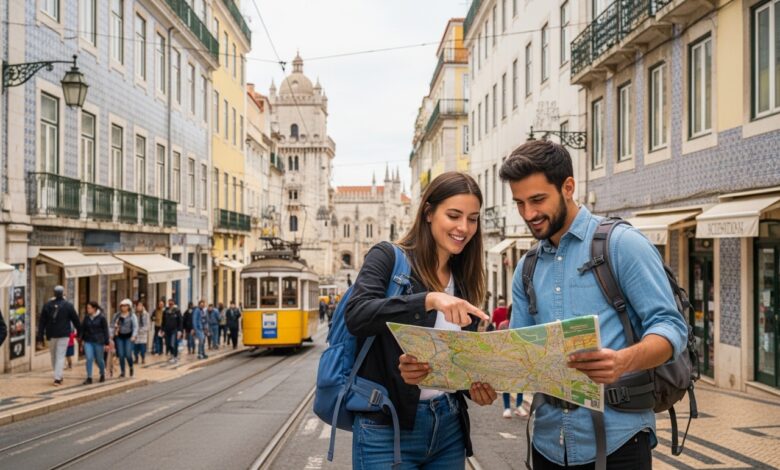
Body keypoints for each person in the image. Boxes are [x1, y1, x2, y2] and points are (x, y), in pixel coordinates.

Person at [499, 140, 688, 469]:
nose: (528, 214)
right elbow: (519, 354)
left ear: (568, 187)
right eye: (519, 203)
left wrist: (623, 361)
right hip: (546, 444)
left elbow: (670, 327)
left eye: (538, 200)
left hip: (621, 443)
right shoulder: (525, 268)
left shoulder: (622, 244)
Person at [346, 171, 497, 469]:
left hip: (448, 426)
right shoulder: (388, 257)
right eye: (453, 215)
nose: (463, 227)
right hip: (387, 429)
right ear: (428, 212)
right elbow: (357, 315)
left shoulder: (463, 279)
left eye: (472, 218)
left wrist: (475, 387)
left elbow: (453, 362)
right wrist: (428, 299)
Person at [36, 285, 80, 386]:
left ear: (54, 293)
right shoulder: (68, 305)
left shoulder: (47, 305)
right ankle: (58, 376)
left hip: (51, 334)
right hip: (64, 334)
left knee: (54, 355)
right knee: (60, 356)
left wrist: (40, 335)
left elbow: (42, 322)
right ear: (63, 293)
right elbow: (76, 320)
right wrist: (80, 333)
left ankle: (57, 376)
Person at [497, 305, 526, 419]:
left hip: (520, 358)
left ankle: (519, 405)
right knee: (506, 383)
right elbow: (499, 342)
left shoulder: (523, 326)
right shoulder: (503, 325)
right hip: (507, 357)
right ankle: (507, 408)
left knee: (521, 383)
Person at [79, 301, 109, 384]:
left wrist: (107, 343)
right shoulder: (86, 318)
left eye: (89, 308)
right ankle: (89, 377)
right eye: (87, 308)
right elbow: (82, 329)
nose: (87, 309)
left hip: (99, 341)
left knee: (99, 359)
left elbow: (105, 331)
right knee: (89, 358)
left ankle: (102, 373)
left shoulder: (102, 318)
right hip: (88, 341)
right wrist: (80, 339)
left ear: (94, 308)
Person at [111, 299, 138, 378]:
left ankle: (131, 367)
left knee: (128, 354)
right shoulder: (117, 315)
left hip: (129, 337)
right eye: (122, 306)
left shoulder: (132, 316)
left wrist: (134, 336)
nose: (123, 307)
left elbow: (135, 327)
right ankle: (122, 371)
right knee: (121, 355)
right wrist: (113, 329)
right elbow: (112, 325)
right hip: (119, 336)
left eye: (125, 306)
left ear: (129, 307)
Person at [162, 298, 183, 364]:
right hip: (167, 330)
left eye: (171, 303)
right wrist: (162, 330)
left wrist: (180, 331)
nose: (170, 304)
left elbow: (180, 321)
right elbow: (163, 321)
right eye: (169, 303)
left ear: (174, 303)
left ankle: (175, 356)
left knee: (173, 343)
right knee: (168, 343)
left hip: (174, 330)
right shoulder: (165, 311)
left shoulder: (177, 311)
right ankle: (171, 355)